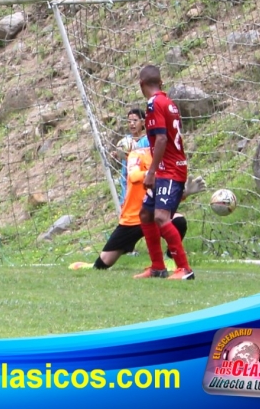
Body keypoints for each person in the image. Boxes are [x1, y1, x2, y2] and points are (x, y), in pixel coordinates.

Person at [69, 146, 205, 271]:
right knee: (104, 262)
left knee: (179, 221)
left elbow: (167, 195)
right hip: (133, 217)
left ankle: (169, 261)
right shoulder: (137, 154)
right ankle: (92, 266)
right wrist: (152, 174)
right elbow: (134, 176)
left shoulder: (170, 158)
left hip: (154, 214)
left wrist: (184, 193)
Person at [136, 64, 193, 280]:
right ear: (160, 83)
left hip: (168, 170)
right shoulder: (169, 103)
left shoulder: (153, 104)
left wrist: (151, 172)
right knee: (146, 213)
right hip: (168, 168)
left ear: (141, 84)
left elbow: (161, 138)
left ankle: (185, 269)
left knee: (161, 216)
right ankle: (158, 267)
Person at [117, 108, 149, 204]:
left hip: (142, 182)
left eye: (135, 120)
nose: (132, 123)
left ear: (143, 122)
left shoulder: (147, 140)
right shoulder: (125, 141)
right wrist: (117, 154)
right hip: (127, 182)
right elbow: (123, 160)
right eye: (129, 121)